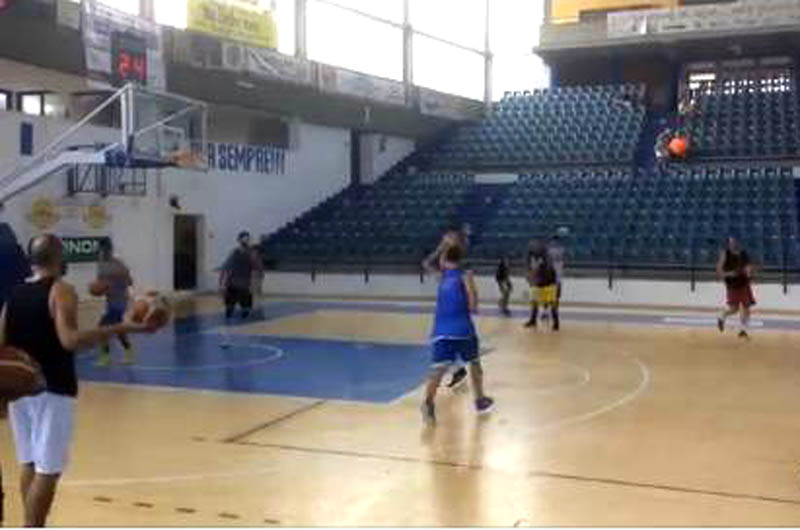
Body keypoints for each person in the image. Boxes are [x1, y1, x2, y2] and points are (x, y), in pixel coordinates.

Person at [0, 234, 158, 527]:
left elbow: (2, 343)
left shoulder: (14, 294)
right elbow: (70, 340)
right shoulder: (60, 290)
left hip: (19, 391)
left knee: (29, 463)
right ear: (58, 257)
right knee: (47, 470)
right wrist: (122, 327)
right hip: (53, 387)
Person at [421, 244, 493, 423]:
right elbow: (472, 299)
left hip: (441, 332)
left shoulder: (442, 276)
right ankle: (479, 399)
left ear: (444, 259)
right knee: (474, 363)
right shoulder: (463, 275)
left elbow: (426, 263)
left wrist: (440, 248)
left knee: (438, 369)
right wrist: (473, 299)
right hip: (463, 330)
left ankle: (428, 403)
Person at [422, 225, 470, 390]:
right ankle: (458, 370)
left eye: (449, 238)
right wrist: (441, 247)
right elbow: (427, 263)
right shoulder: (446, 269)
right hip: (447, 309)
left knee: (443, 344)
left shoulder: (458, 265)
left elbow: (430, 263)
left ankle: (457, 369)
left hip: (454, 310)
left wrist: (443, 246)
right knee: (445, 344)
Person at [94, 239, 135, 367]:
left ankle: (105, 357)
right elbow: (101, 285)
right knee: (118, 329)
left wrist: (115, 284)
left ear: (109, 250)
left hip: (119, 302)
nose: (101, 252)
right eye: (100, 250)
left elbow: (130, 281)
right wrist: (99, 289)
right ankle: (129, 351)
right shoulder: (101, 265)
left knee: (101, 327)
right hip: (111, 302)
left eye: (104, 250)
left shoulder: (118, 265)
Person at [716, 237, 755, 339]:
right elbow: (719, 272)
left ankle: (743, 330)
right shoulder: (725, 254)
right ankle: (722, 316)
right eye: (731, 242)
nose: (733, 244)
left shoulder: (743, 254)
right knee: (734, 309)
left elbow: (749, 266)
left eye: (734, 242)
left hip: (744, 283)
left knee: (746, 306)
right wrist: (730, 274)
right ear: (728, 244)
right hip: (732, 285)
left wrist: (748, 272)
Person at [219, 231, 259, 320]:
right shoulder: (234, 252)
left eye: (247, 239)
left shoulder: (251, 254)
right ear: (239, 240)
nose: (246, 241)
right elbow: (226, 268)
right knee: (229, 307)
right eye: (244, 239)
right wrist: (222, 283)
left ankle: (244, 314)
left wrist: (254, 284)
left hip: (245, 284)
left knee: (246, 309)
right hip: (233, 283)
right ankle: (230, 312)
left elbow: (255, 270)